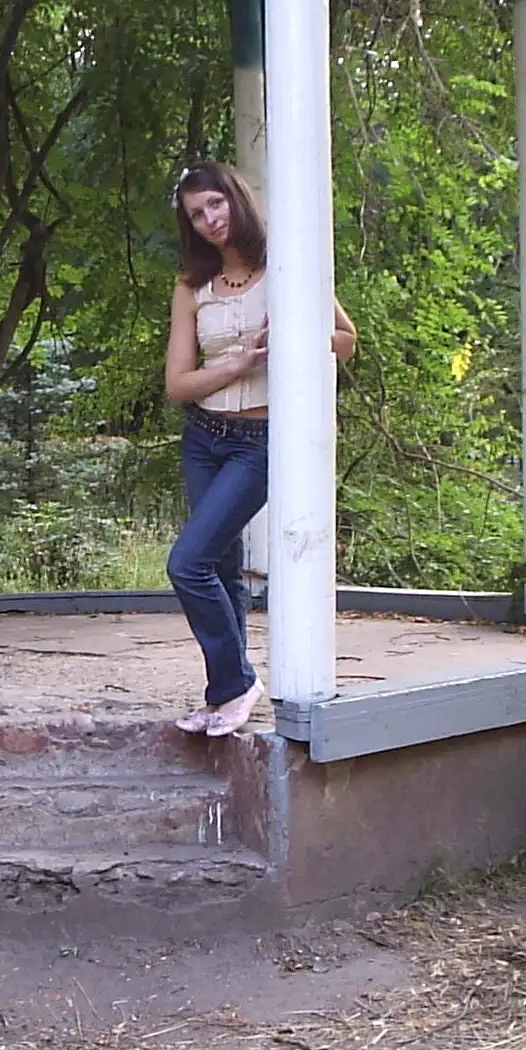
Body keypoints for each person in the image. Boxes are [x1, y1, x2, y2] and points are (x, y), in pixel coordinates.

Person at [163, 160, 356, 737]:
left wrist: (295, 336)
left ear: (236, 199)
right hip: (204, 437)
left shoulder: (286, 265)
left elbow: (346, 341)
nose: (209, 219)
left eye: (215, 204)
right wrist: (238, 364)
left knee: (187, 563)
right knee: (218, 567)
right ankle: (226, 696)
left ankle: (235, 685)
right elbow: (178, 384)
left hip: (260, 440)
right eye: (197, 214)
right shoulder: (191, 286)